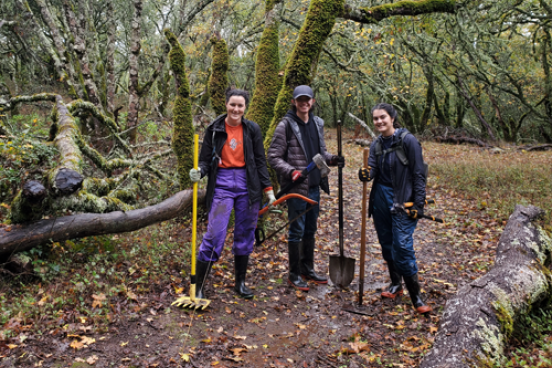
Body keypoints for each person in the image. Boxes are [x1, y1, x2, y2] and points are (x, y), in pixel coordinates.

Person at [189, 88, 275, 299]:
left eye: (240, 105)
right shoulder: (214, 128)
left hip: (248, 183)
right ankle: (198, 287)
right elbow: (205, 159)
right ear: (226, 105)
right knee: (215, 233)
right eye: (232, 104)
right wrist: (199, 171)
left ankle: (240, 283)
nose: (236, 109)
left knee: (245, 233)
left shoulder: (252, 129)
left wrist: (269, 189)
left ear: (245, 108)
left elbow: (260, 161)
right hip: (222, 182)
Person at [268, 85, 344, 291]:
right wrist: (291, 171)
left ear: (312, 101)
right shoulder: (286, 125)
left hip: (314, 186)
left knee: (310, 229)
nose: (304, 103)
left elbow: (321, 154)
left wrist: (334, 159)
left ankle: (307, 269)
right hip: (296, 188)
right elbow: (273, 156)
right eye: (300, 99)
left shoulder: (317, 123)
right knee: (297, 230)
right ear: (293, 102)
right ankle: (294, 274)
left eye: (307, 99)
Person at [358, 103, 431, 314]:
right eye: (375, 119)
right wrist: (365, 174)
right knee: (387, 243)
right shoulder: (376, 144)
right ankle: (396, 284)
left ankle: (416, 296)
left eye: (383, 117)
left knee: (402, 245)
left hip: (403, 199)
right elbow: (372, 169)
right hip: (380, 197)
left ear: (392, 118)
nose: (379, 121)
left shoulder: (408, 141)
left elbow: (419, 173)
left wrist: (418, 203)